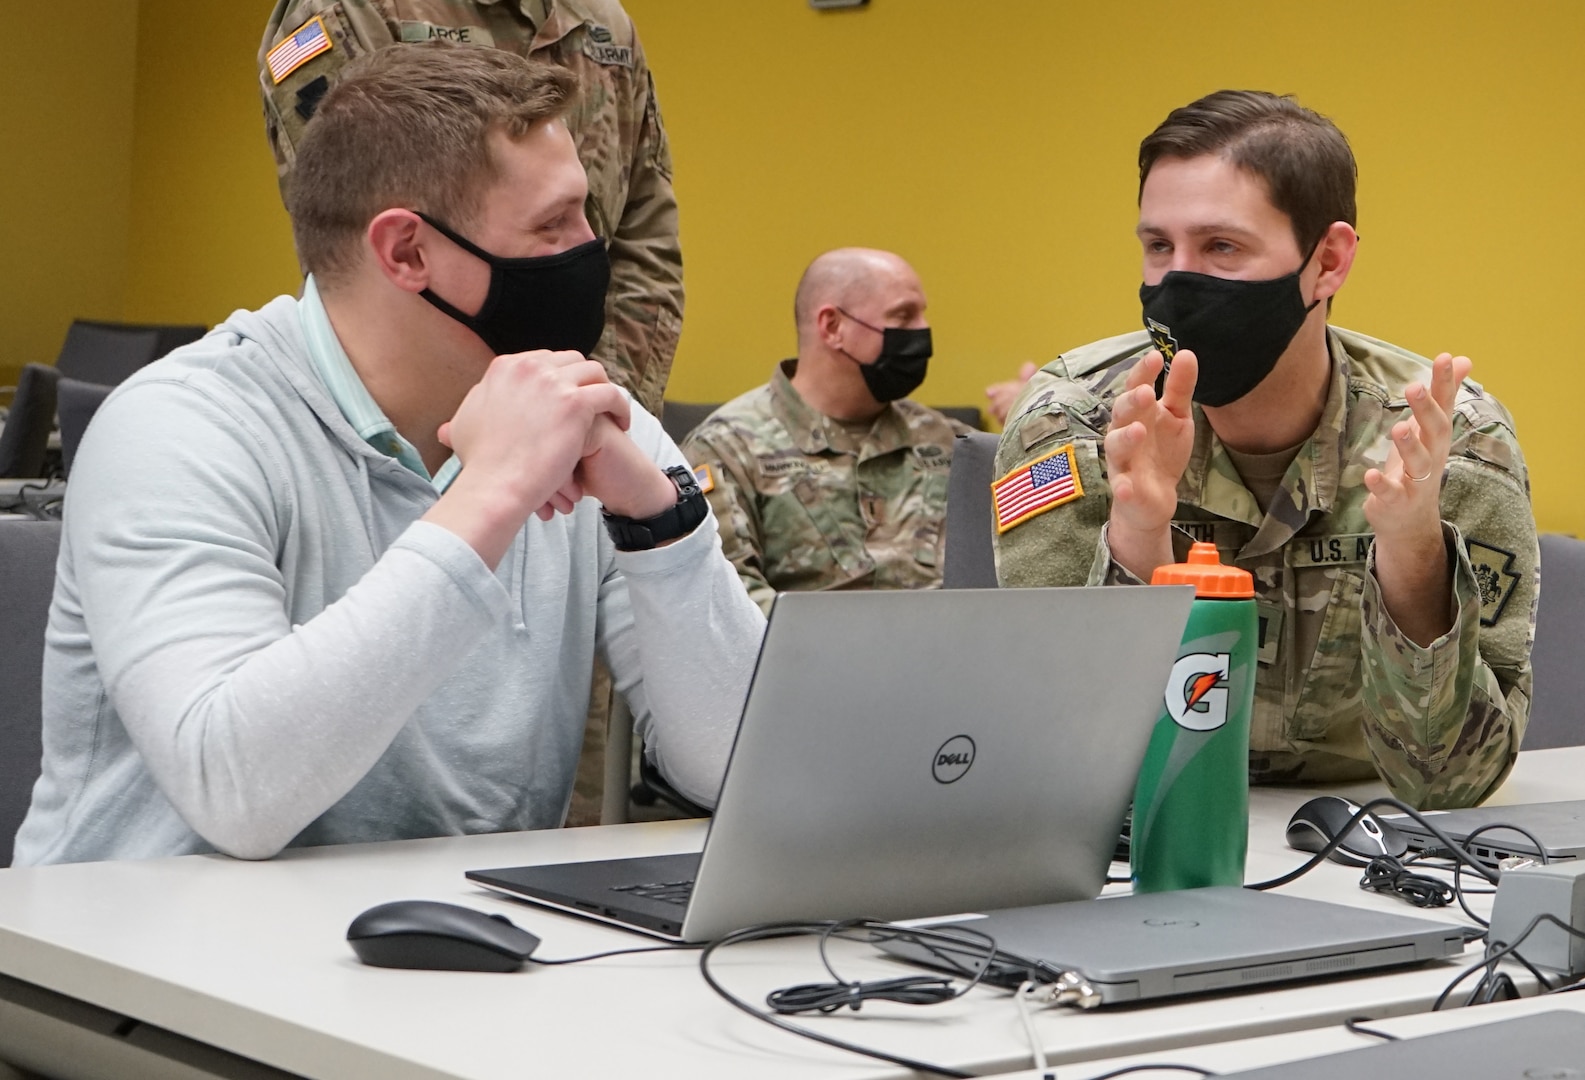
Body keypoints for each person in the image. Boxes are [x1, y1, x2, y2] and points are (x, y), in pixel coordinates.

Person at [12, 43, 763, 866]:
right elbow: (235, 791)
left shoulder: (585, 416)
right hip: (131, 966)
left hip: (464, 949)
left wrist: (660, 524)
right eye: (552, 224)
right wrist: (493, 491)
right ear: (407, 252)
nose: (591, 253)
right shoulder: (179, 424)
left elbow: (740, 768)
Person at [993, 90, 1536, 810]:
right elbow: (1054, 747)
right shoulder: (1078, 423)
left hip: (1360, 832)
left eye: (1221, 247)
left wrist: (1412, 555)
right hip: (1145, 833)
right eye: (1158, 246)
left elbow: (1453, 781)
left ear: (1328, 261)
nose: (1176, 282)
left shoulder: (1441, 439)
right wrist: (1137, 540)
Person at [258, 0, 680, 414]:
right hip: (420, 422)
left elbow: (644, 235)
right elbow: (362, 254)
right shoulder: (352, 10)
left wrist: (607, 405)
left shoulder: (601, 19)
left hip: (585, 399)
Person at [683, 248, 973, 615]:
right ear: (833, 326)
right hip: (804, 663)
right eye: (903, 316)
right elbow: (728, 601)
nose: (922, 332)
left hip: (950, 657)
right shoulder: (727, 449)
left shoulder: (948, 441)